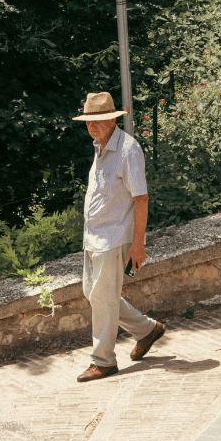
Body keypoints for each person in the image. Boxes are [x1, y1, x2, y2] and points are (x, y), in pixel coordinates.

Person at [72, 92, 165, 382]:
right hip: (95, 237)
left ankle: (103, 361)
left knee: (102, 298)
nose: (92, 126)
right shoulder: (100, 146)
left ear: (112, 118)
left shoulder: (127, 150)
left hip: (112, 239)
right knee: (97, 295)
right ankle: (147, 329)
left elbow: (141, 199)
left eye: (98, 120)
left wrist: (138, 245)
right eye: (89, 121)